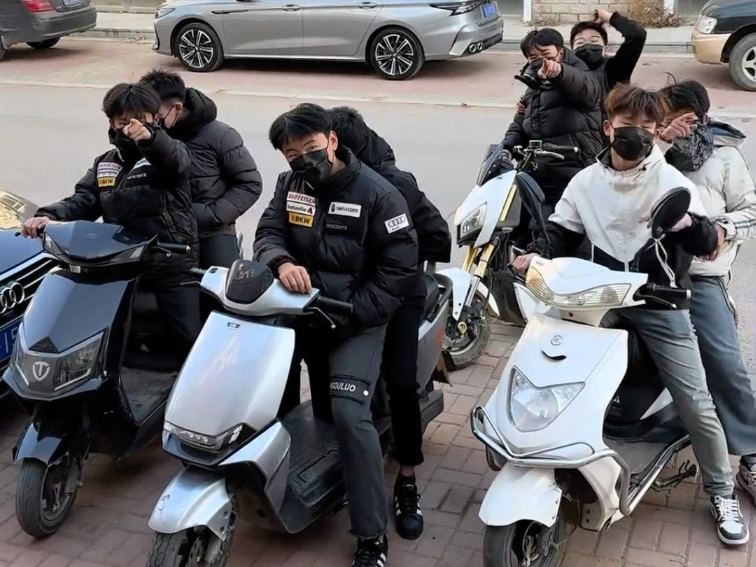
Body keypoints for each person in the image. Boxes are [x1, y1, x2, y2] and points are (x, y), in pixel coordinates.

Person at [512, 84, 749, 546]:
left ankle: (722, 491)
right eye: (627, 126)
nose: (636, 135)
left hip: (660, 303)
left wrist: (687, 224)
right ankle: (549, 451)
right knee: (548, 362)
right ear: (608, 128)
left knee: (697, 402)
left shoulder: (672, 184)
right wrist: (534, 256)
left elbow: (705, 242)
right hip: (599, 299)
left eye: (646, 128)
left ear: (657, 132)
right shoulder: (585, 183)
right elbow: (560, 233)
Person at [253, 103, 418, 567]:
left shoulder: (379, 194)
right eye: (292, 154)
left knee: (348, 412)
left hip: (356, 320)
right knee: (260, 385)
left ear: (331, 139)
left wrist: (350, 314)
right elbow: (267, 232)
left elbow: (398, 271)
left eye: (310, 148)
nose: (303, 160)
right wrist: (280, 261)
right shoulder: (290, 185)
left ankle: (371, 536)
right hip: (299, 312)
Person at [329, 106, 452, 541]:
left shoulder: (393, 184)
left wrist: (395, 261)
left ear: (342, 146)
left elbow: (438, 236)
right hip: (346, 301)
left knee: (401, 383)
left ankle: (407, 478)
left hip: (398, 298)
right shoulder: (315, 184)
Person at [21, 83, 200, 362]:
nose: (131, 126)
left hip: (170, 264)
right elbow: (84, 200)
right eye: (122, 120)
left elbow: (174, 162)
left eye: (139, 119)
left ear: (154, 117)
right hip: (120, 263)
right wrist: (51, 216)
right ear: (112, 123)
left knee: (190, 343)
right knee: (104, 342)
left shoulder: (171, 151)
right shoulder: (105, 163)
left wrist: (150, 140)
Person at [658, 79, 756, 504]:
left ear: (700, 119)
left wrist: (722, 229)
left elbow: (752, 209)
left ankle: (751, 456)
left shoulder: (724, 156)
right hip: (648, 273)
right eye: (664, 118)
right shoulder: (649, 151)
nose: (672, 126)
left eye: (680, 119)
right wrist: (658, 143)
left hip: (700, 276)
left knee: (724, 362)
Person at [138, 69, 262, 271]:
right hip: (161, 228)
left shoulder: (220, 135)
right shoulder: (145, 136)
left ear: (177, 108)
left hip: (209, 230)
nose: (152, 123)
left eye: (157, 117)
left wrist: (212, 215)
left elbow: (249, 184)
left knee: (223, 285)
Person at [505, 28, 603, 245]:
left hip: (573, 168)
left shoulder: (579, 74)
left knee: (555, 234)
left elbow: (588, 91)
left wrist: (560, 73)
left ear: (560, 52)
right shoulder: (534, 86)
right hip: (538, 170)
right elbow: (521, 122)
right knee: (515, 228)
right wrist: (506, 146)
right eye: (533, 58)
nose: (541, 62)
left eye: (546, 55)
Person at [570, 8, 647, 98]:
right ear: (572, 49)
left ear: (605, 48)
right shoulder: (565, 72)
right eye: (580, 42)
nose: (587, 46)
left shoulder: (615, 68)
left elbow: (637, 35)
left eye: (594, 41)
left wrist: (608, 17)